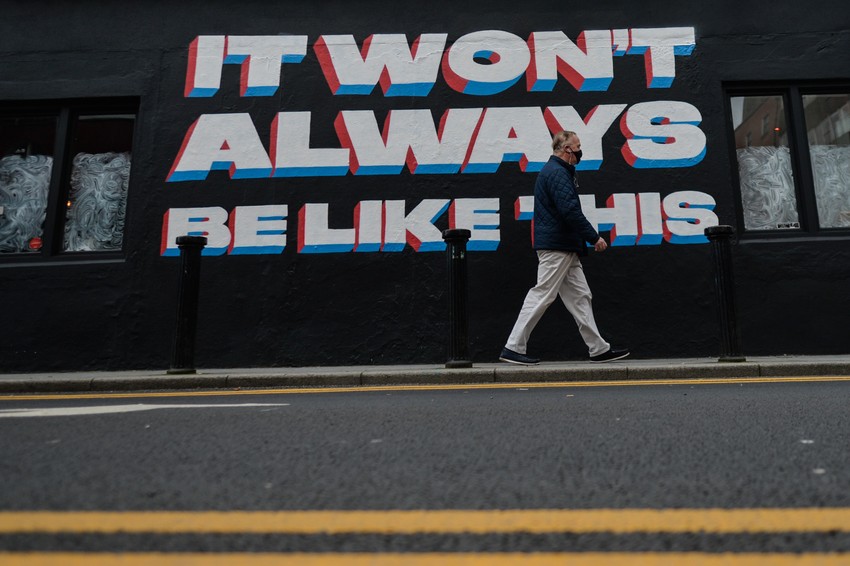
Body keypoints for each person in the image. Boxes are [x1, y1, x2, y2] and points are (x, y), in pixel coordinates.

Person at [500, 131, 629, 365]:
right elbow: (570, 211)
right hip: (557, 246)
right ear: (566, 149)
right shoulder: (557, 172)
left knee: (580, 296)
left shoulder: (558, 171)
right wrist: (594, 237)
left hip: (565, 246)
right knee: (542, 293)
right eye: (577, 146)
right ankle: (513, 346)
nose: (580, 151)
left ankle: (598, 349)